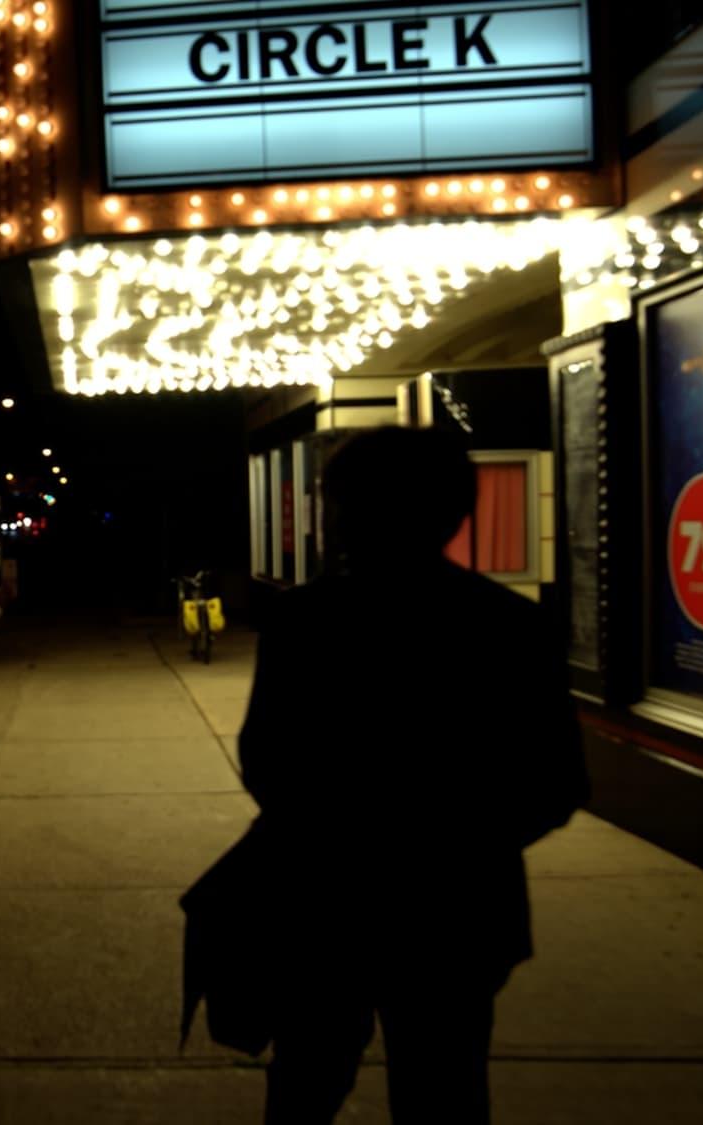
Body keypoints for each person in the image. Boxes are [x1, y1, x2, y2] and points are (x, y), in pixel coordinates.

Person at [235, 426, 589, 1124]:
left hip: (325, 900)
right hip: (458, 910)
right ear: (453, 514)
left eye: (336, 502)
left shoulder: (306, 621)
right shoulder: (510, 626)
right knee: (445, 1086)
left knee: (307, 1077)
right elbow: (558, 780)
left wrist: (333, 831)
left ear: (349, 515)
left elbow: (266, 758)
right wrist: (463, 842)